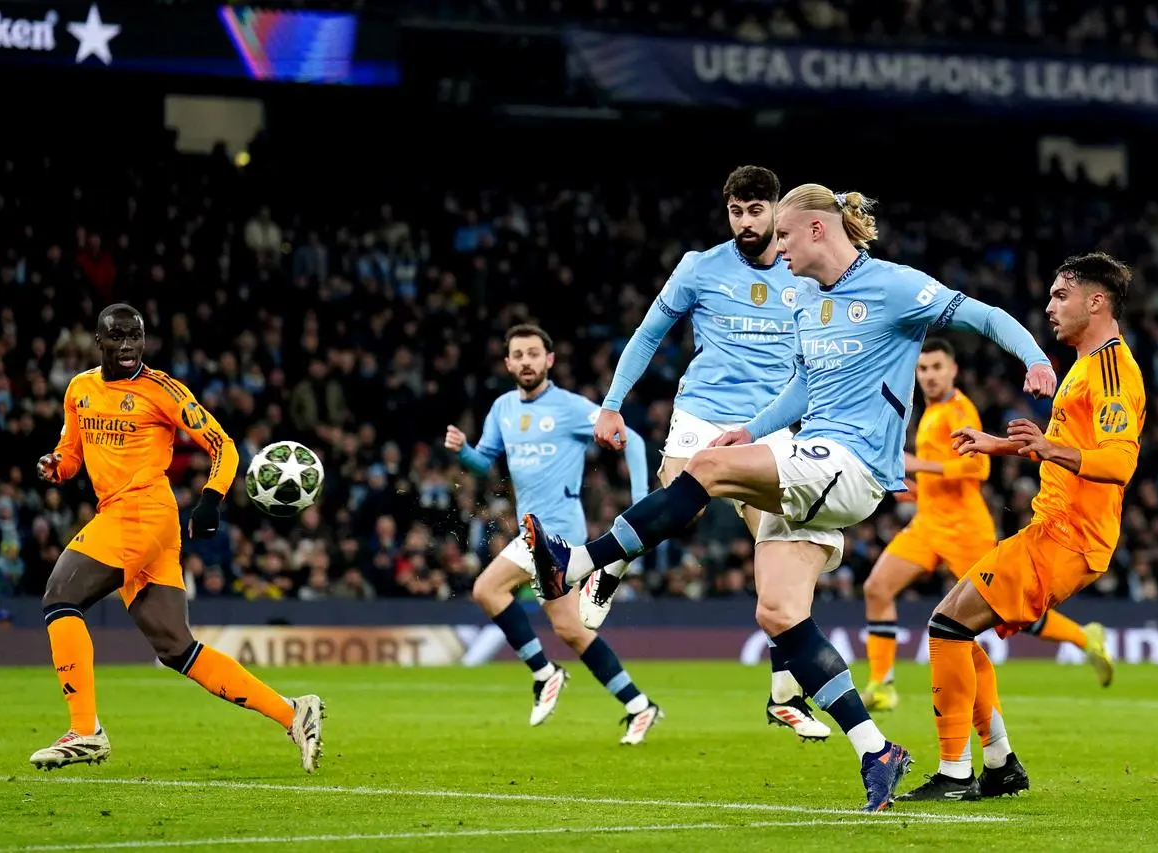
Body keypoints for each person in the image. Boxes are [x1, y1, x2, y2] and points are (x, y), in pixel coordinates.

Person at [526, 184, 1057, 811]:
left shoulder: (891, 286)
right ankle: (874, 749)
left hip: (851, 462)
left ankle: (581, 564)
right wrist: (751, 430)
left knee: (705, 469)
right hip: (813, 460)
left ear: (813, 231)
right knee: (778, 613)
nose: (775, 249)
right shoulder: (806, 298)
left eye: (782, 235)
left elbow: (984, 315)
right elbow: (805, 385)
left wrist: (1035, 359)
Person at [587, 164, 829, 742]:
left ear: (777, 211)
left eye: (755, 211)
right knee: (682, 503)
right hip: (701, 412)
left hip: (769, 425)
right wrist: (612, 403)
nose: (745, 222)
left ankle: (783, 694)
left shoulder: (807, 273)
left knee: (781, 546)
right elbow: (648, 334)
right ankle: (609, 565)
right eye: (735, 212)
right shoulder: (700, 267)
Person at [30, 304, 323, 772]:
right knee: (175, 649)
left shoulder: (162, 390)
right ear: (98, 341)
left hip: (142, 513)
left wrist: (211, 497)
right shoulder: (79, 389)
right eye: (118, 337)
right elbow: (71, 453)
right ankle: (293, 712)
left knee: (59, 598)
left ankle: (84, 731)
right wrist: (56, 466)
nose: (127, 346)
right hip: (131, 519)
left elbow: (222, 445)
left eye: (136, 337)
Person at [901, 253, 1143, 802]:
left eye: (1061, 295)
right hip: (1051, 529)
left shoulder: (1112, 371)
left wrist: (1047, 446)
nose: (1050, 306)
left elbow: (1119, 463)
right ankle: (998, 764)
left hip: (1069, 537)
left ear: (1096, 301)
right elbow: (1064, 449)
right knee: (955, 627)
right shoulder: (1084, 366)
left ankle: (957, 770)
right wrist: (1003, 444)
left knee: (947, 626)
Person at [861, 338, 1113, 712]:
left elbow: (978, 467)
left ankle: (1083, 636)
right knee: (877, 588)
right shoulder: (929, 412)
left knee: (1006, 611)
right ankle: (882, 686)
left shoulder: (959, 410)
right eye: (923, 369)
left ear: (953, 371)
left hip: (965, 530)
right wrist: (913, 488)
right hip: (928, 525)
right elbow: (941, 475)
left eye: (937, 368)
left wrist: (918, 466)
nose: (929, 376)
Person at [445, 323, 662, 744]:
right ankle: (639, 705)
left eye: (533, 354)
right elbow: (483, 463)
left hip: (555, 533)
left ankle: (545, 674)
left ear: (549, 360)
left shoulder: (568, 407)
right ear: (508, 363)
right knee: (571, 630)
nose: (526, 361)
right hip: (532, 531)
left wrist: (640, 500)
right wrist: (463, 450)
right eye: (518, 355)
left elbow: (630, 439)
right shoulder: (503, 409)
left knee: (487, 590)